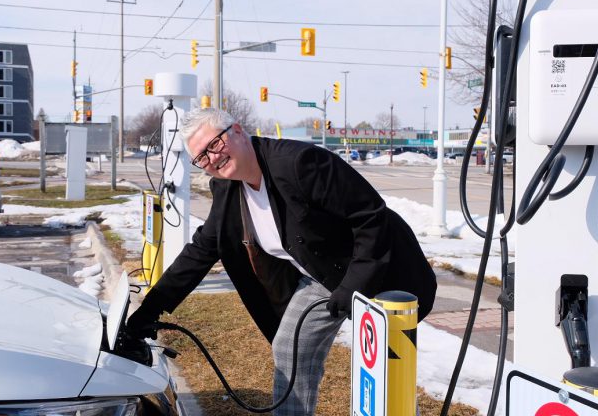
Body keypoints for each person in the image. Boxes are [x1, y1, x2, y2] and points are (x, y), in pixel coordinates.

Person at [127, 108, 437, 415]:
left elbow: (371, 217)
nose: (213, 158)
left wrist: (353, 285)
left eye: (215, 144)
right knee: (289, 347)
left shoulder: (300, 163)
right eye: (202, 158)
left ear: (236, 130)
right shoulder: (227, 188)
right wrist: (150, 309)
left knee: (388, 368)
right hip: (321, 277)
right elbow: (202, 250)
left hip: (382, 268)